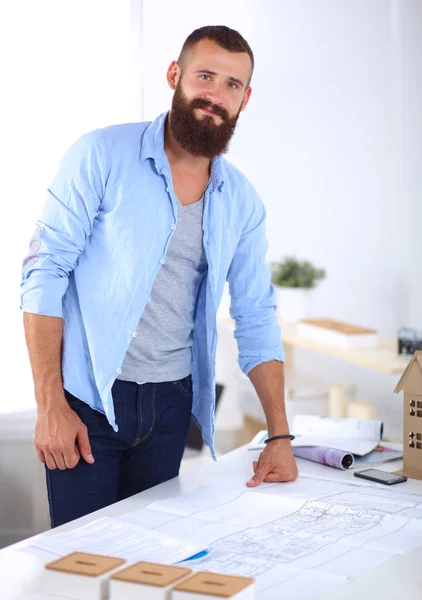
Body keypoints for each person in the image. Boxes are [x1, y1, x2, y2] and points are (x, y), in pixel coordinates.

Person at [21, 25, 298, 528]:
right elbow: (45, 272)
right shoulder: (101, 154)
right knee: (82, 566)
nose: (216, 95)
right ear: (176, 75)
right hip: (88, 400)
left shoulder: (242, 202)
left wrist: (278, 435)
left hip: (171, 406)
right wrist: (50, 404)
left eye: (232, 85)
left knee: (151, 566)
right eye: (205, 76)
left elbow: (256, 312)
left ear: (246, 98)